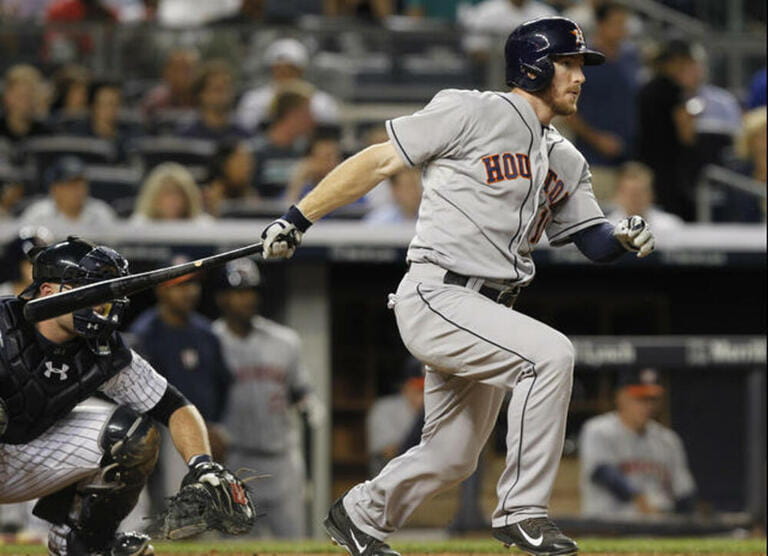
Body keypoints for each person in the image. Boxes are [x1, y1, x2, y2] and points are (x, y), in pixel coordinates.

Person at [260, 16, 656, 556]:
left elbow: (591, 241)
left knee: (452, 456)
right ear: (534, 65)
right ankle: (522, 513)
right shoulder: (472, 110)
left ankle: (359, 515)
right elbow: (378, 160)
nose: (579, 76)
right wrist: (298, 218)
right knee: (550, 356)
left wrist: (622, 235)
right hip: (438, 293)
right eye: (568, 63)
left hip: (489, 311)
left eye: (580, 65)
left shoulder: (565, 157)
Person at [0, 236, 234, 555]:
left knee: (134, 437)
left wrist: (203, 464)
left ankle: (83, 542)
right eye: (93, 292)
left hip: (27, 460)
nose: (103, 304)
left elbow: (174, 406)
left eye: (106, 293)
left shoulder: (104, 349)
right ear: (48, 292)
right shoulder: (4, 323)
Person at [213, 258, 320, 539]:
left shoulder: (285, 340)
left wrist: (310, 406)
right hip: (235, 459)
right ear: (222, 298)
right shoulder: (210, 341)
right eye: (238, 292)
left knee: (294, 542)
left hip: (282, 459)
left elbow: (301, 390)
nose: (246, 299)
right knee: (238, 545)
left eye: (251, 291)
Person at [129, 257, 232, 511]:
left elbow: (222, 383)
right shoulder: (145, 333)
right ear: (161, 289)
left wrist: (215, 425)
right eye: (180, 285)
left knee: (215, 506)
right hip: (163, 432)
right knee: (175, 507)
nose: (189, 292)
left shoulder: (207, 333)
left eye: (193, 284)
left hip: (205, 427)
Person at [579, 368, 697, 518]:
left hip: (660, 529)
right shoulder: (599, 430)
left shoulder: (668, 440)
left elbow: (684, 491)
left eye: (652, 399)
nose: (647, 406)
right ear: (621, 397)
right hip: (610, 526)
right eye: (640, 399)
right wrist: (640, 499)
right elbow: (604, 473)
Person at [565, 2, 640, 200]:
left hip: (628, 158)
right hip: (594, 160)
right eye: (616, 24)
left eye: (624, 24)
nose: (622, 30)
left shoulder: (631, 58)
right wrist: (597, 138)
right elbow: (567, 111)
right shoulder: (582, 60)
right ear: (601, 25)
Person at [636, 39, 700, 221]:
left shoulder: (646, 89)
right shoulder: (673, 90)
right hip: (670, 171)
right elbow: (686, 133)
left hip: (648, 162)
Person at [236, 38, 340, 133]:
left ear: (301, 71)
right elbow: (246, 130)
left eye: (290, 69)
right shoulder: (253, 99)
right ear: (272, 69)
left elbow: (327, 134)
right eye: (279, 69)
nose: (284, 73)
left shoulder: (322, 101)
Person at [251, 88, 315, 199]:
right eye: (307, 112)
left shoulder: (305, 151)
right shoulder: (255, 152)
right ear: (292, 114)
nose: (312, 119)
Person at [19, 156, 117, 228]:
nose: (79, 190)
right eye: (71, 185)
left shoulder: (101, 212)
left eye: (82, 184)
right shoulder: (37, 214)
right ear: (55, 189)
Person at [367, 357, 425, 477]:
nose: (425, 395)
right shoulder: (384, 408)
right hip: (388, 481)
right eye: (420, 389)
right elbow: (388, 452)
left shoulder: (436, 411)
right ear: (406, 388)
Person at [177, 59, 251, 142]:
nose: (224, 95)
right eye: (217, 89)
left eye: (228, 89)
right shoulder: (186, 135)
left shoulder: (244, 134)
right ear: (201, 94)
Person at [605, 162, 684, 234]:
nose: (635, 199)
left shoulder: (670, 225)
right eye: (631, 194)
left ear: (651, 194)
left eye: (641, 193)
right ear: (617, 196)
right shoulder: (608, 230)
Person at [132, 162, 212, 223]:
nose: (173, 200)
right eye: (167, 193)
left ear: (188, 197)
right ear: (153, 197)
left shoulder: (203, 226)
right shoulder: (138, 227)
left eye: (179, 193)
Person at [141, 47, 200, 119]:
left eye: (187, 70)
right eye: (176, 69)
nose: (181, 75)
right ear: (166, 72)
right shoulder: (155, 101)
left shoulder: (204, 99)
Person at [203, 139, 256, 217]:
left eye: (248, 162)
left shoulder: (251, 195)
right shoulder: (207, 197)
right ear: (224, 163)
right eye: (241, 162)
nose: (247, 168)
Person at [286, 132, 343, 203]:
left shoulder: (349, 188)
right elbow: (286, 209)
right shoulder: (302, 189)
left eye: (336, 157)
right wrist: (299, 179)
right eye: (327, 157)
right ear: (311, 160)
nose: (332, 162)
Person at [0, 226, 52, 297]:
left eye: (39, 262)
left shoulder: (50, 292)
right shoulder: (3, 293)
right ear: (17, 264)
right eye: (30, 263)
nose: (35, 268)